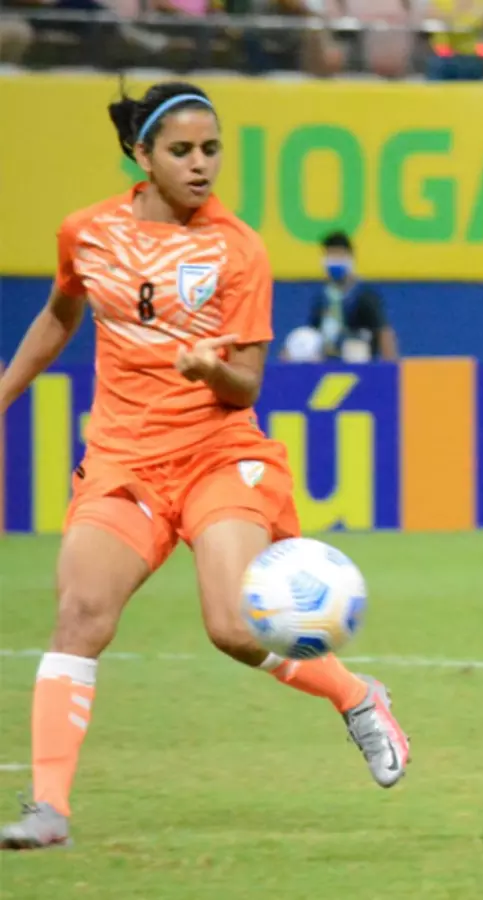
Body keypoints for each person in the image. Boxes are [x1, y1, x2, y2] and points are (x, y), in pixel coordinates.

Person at [0, 81, 411, 851]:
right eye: (182, 151)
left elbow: (246, 383)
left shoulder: (237, 248)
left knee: (232, 626)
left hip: (218, 455)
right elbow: (60, 313)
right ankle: (49, 810)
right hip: (123, 461)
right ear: (142, 154)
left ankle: (356, 696)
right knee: (79, 617)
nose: (200, 165)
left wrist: (207, 369)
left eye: (212, 150)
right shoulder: (87, 233)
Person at [310, 231, 398, 362]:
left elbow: (383, 331)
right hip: (327, 357)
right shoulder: (322, 297)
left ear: (349, 258)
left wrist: (391, 366)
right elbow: (312, 332)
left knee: (354, 348)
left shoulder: (364, 294)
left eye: (339, 256)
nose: (334, 262)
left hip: (359, 357)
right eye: (330, 256)